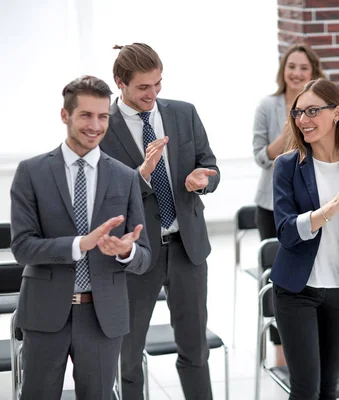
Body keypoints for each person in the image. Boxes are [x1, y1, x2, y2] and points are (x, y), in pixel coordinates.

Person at [10, 75, 151, 400]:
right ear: (65, 116)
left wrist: (127, 252)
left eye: (103, 116)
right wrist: (79, 245)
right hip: (45, 315)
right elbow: (22, 247)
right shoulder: (32, 173)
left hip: (103, 316)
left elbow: (143, 257)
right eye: (86, 115)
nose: (95, 125)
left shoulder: (125, 177)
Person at [100, 43, 220, 400]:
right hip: (136, 256)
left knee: (195, 349)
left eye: (158, 84)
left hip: (188, 250)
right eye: (143, 87)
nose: (152, 94)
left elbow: (210, 164)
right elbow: (101, 199)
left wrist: (205, 179)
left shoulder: (184, 113)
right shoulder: (102, 128)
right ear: (119, 82)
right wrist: (142, 174)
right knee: (129, 354)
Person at [271, 78, 339, 400]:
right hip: (296, 291)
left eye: (312, 111)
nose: (303, 120)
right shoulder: (288, 166)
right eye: (298, 112)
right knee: (306, 389)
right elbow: (286, 233)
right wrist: (333, 207)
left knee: (330, 387)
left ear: (337, 114)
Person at [252, 42, 325, 366]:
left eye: (303, 68)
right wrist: (284, 137)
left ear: (313, 73)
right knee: (279, 279)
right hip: (273, 207)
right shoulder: (268, 106)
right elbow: (260, 156)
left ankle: (317, 345)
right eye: (291, 66)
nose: (296, 73)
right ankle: (282, 354)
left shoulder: (322, 106)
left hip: (315, 206)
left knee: (315, 274)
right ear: (284, 70)